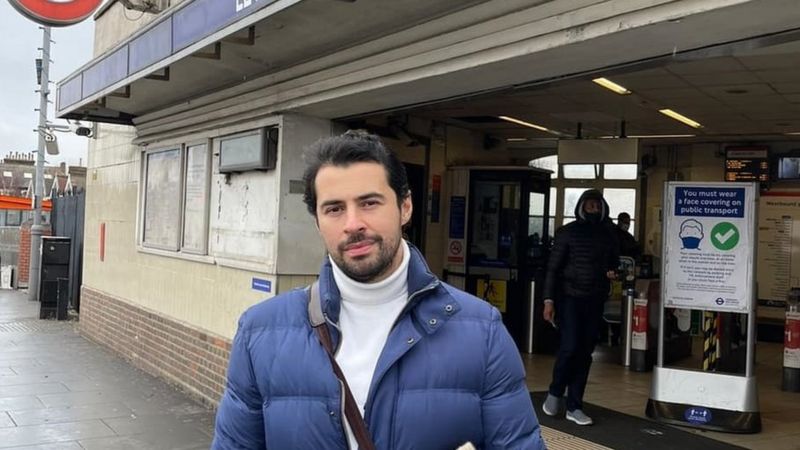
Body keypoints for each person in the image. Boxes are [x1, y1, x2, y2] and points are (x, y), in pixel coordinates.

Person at [212, 130, 546, 449]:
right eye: (334, 209)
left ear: (405, 207)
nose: (353, 224)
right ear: (317, 222)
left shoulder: (482, 332)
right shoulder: (259, 332)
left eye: (369, 203)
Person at [541, 190, 619, 426]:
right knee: (570, 347)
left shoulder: (608, 235)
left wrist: (613, 272)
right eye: (590, 205)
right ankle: (556, 391)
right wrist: (548, 301)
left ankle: (575, 406)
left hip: (595, 299)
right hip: (569, 299)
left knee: (585, 353)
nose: (594, 208)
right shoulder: (567, 233)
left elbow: (614, 262)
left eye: (597, 205)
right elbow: (552, 269)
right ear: (582, 207)